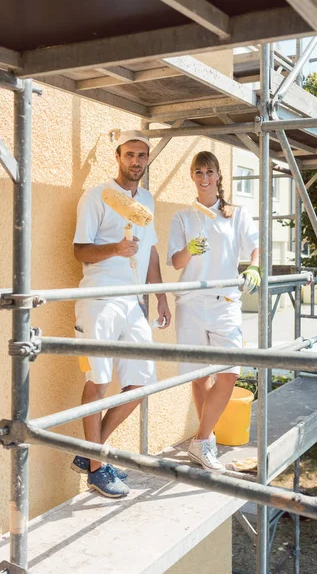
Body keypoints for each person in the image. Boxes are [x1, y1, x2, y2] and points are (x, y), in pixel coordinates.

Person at [72, 130, 171, 498]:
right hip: (99, 298)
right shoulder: (96, 196)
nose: (136, 161)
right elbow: (80, 251)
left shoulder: (146, 199)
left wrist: (159, 296)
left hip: (133, 302)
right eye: (130, 154)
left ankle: (90, 452)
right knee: (98, 381)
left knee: (142, 380)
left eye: (142, 156)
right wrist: (115, 248)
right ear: (118, 157)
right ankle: (97, 468)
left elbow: (153, 251)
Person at [167, 151, 260, 473]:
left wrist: (255, 267)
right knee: (199, 375)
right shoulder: (182, 216)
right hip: (191, 301)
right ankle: (204, 444)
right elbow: (176, 262)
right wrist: (189, 250)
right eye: (198, 172)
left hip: (225, 302)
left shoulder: (236, 214)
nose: (204, 177)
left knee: (230, 372)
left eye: (209, 171)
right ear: (191, 176)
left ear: (219, 175)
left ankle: (201, 439)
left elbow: (255, 246)